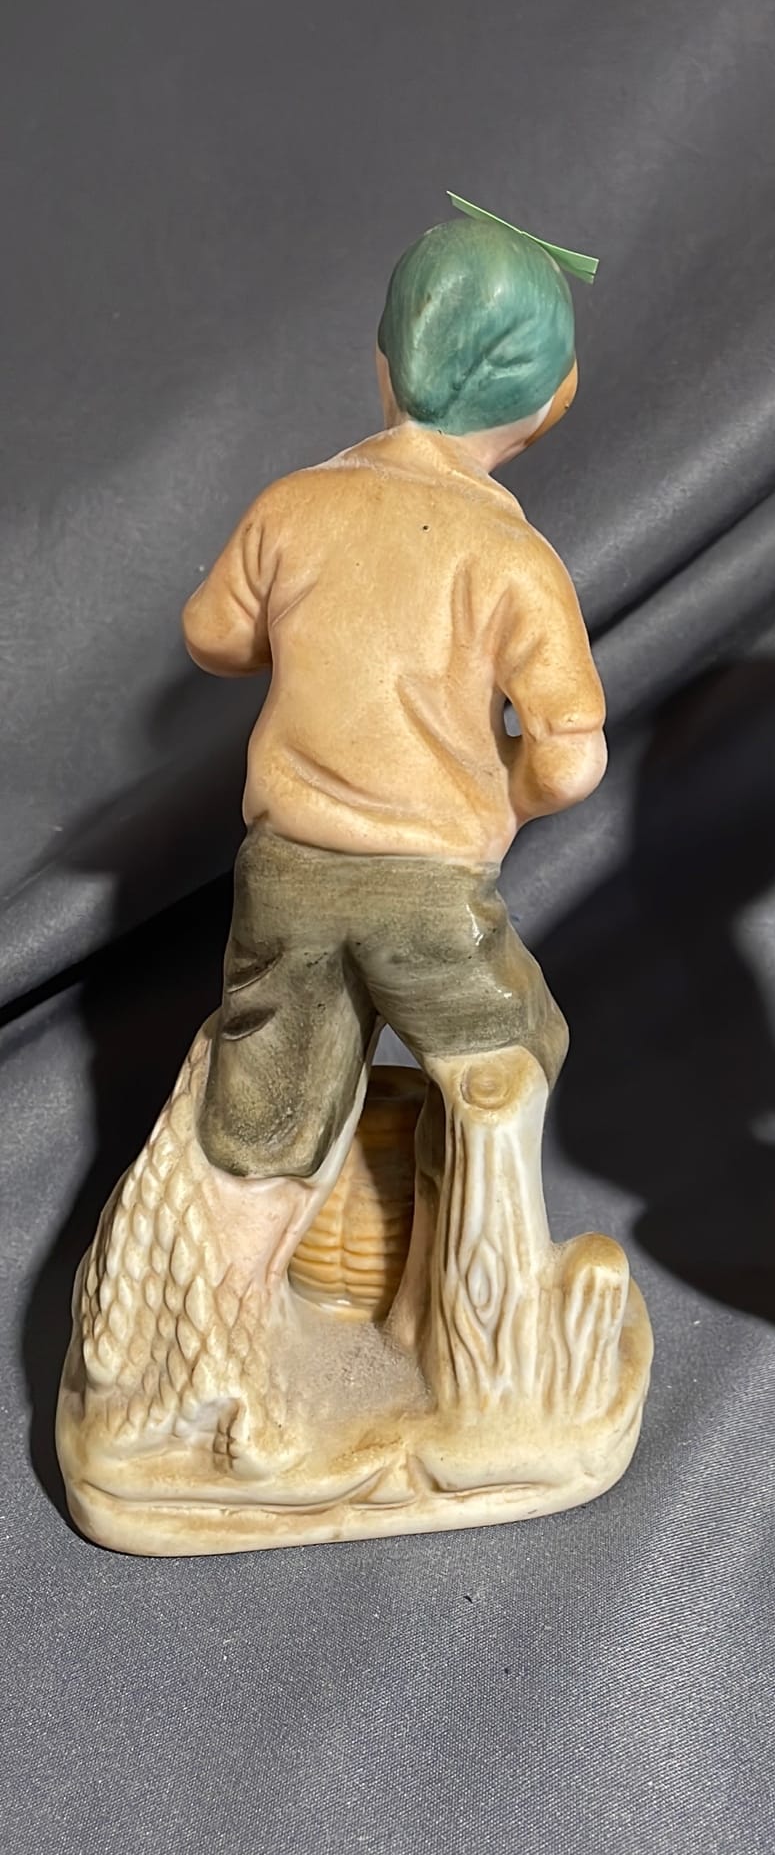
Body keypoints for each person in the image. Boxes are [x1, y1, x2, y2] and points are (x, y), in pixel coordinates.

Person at [182, 214, 605, 1177]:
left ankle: (237, 1243)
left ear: (382, 360)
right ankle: (470, 1247)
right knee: (506, 1064)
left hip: (285, 870)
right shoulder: (517, 559)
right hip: (431, 892)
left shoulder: (293, 504)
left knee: (265, 1117)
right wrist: (501, 792)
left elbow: (214, 635)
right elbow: (571, 761)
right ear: (555, 401)